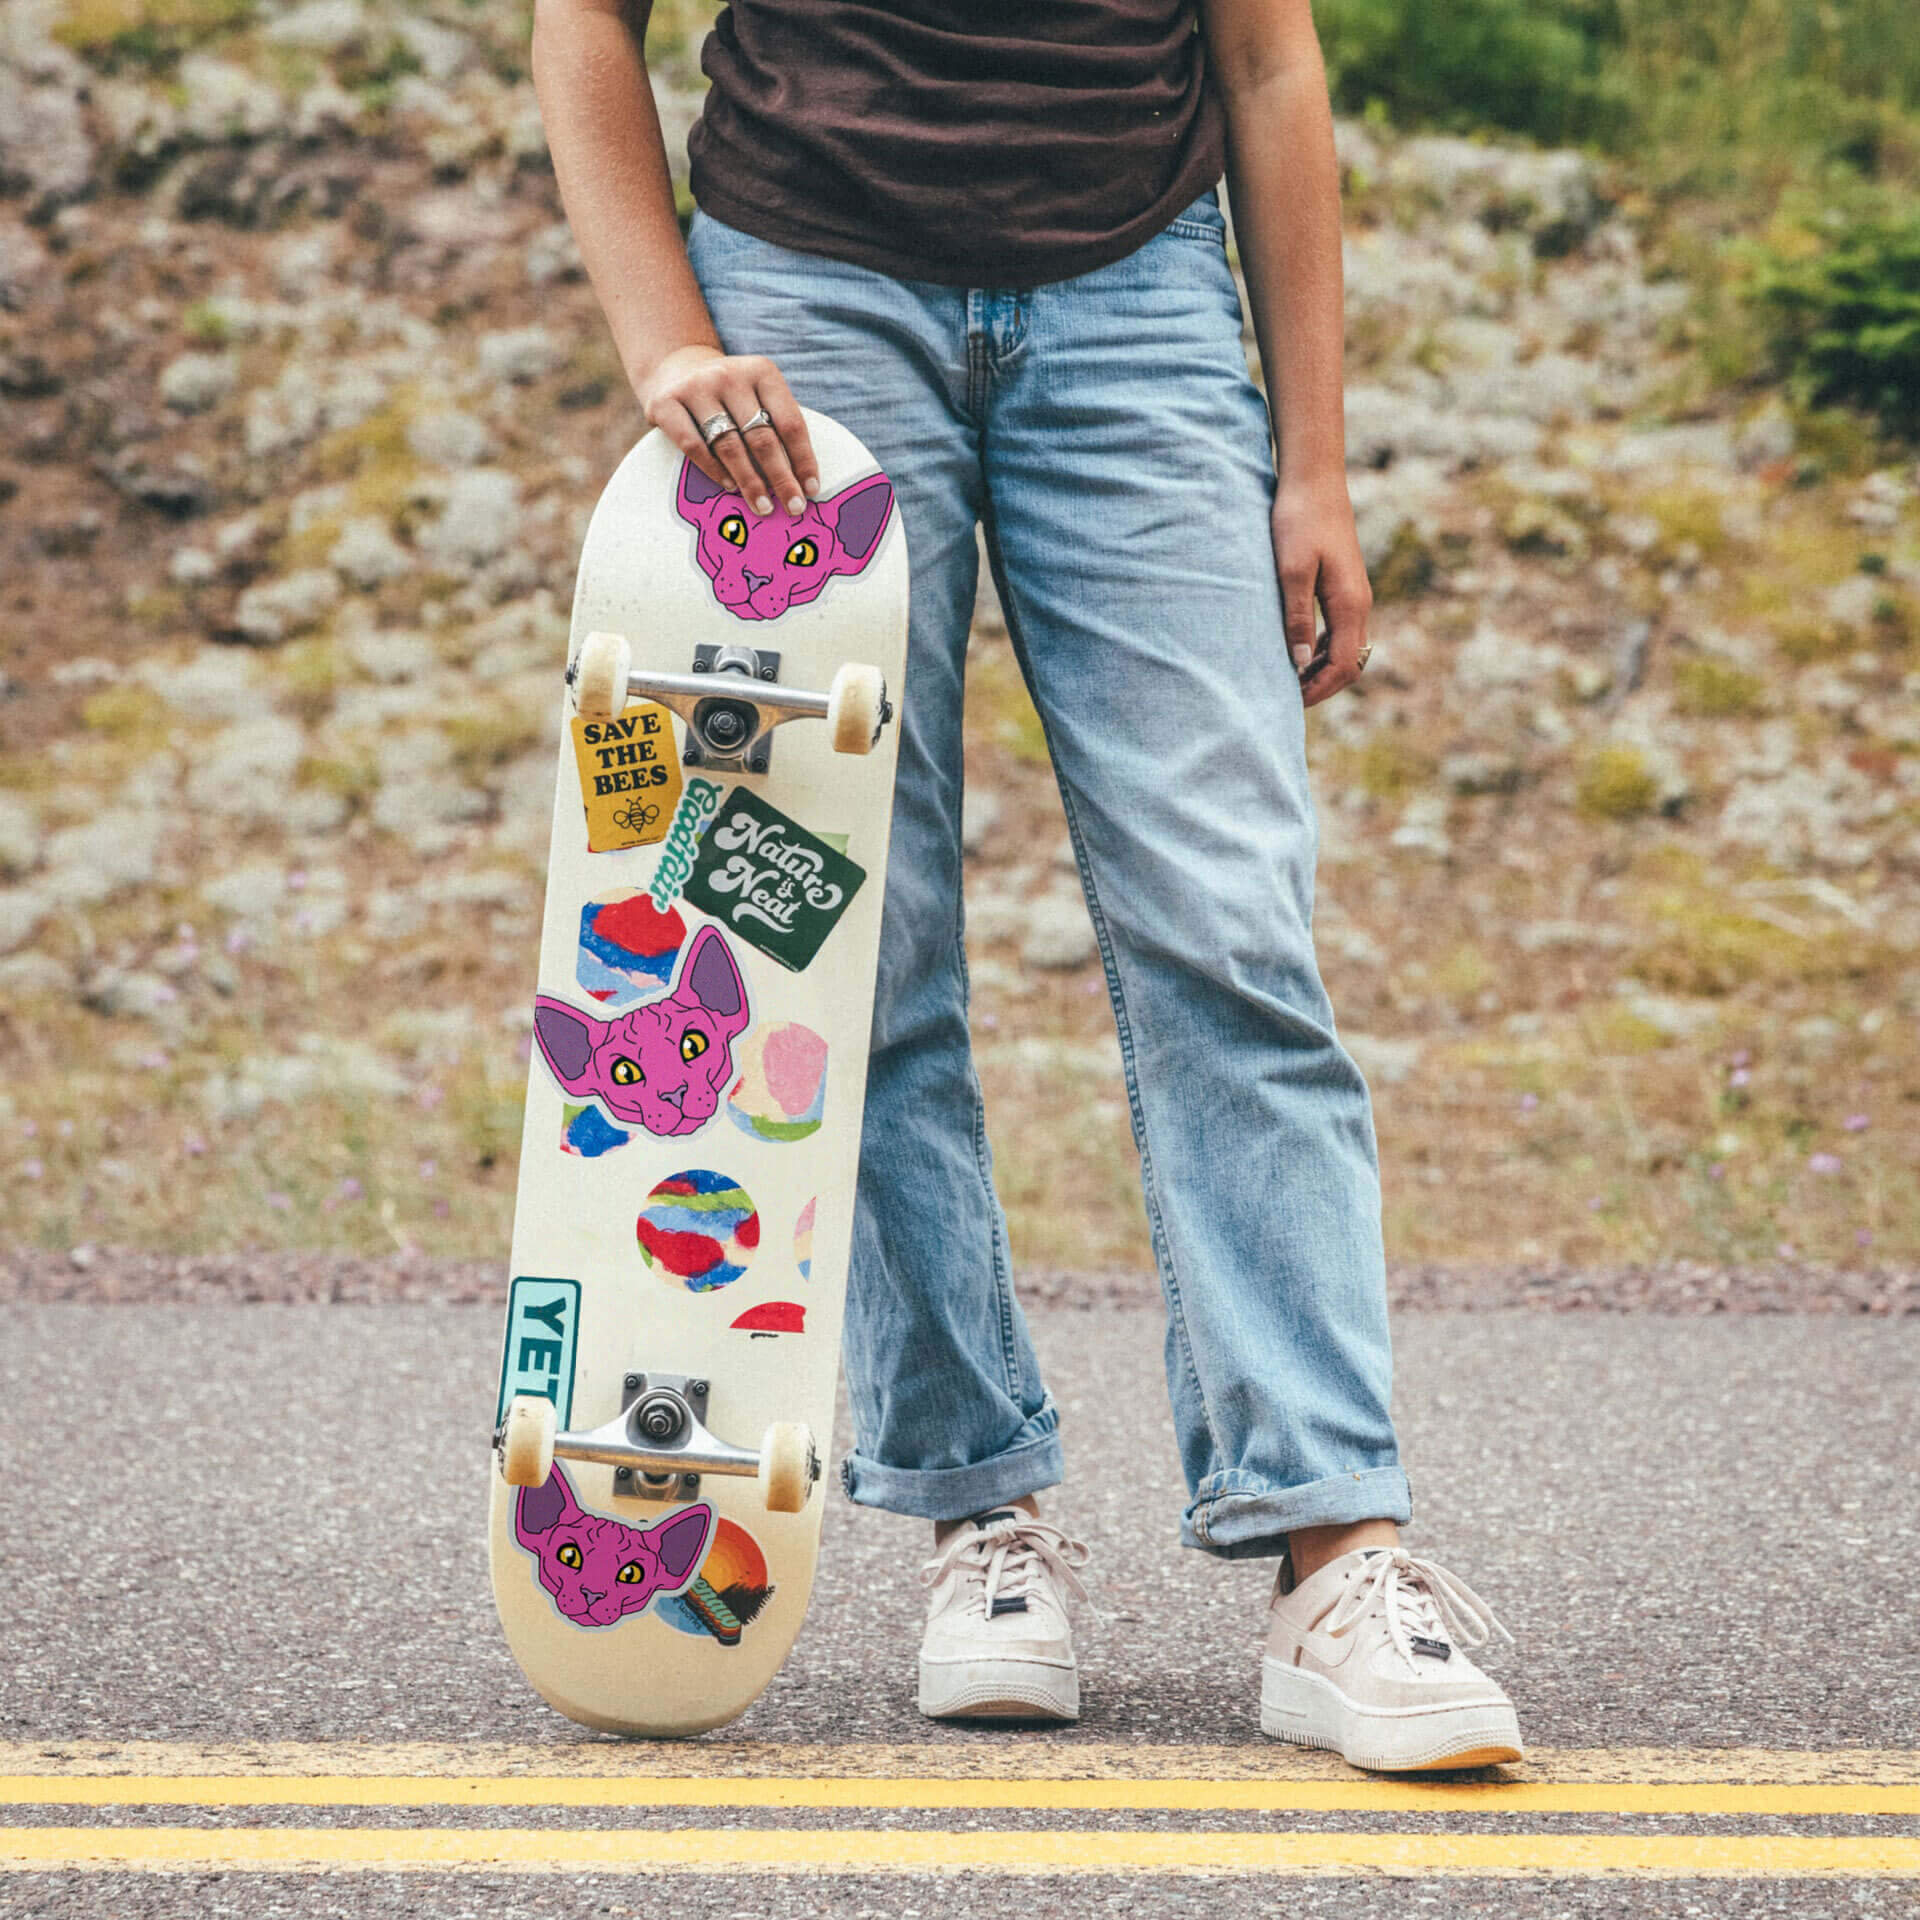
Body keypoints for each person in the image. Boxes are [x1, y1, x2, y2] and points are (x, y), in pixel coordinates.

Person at [530, 0, 1524, 1769]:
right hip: (801, 304)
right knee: (847, 939)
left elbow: (1271, 62)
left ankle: (1335, 1545)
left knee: (1227, 919)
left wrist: (1312, 459)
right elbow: (583, 20)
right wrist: (665, 339)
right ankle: (978, 1515)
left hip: (1138, 302)